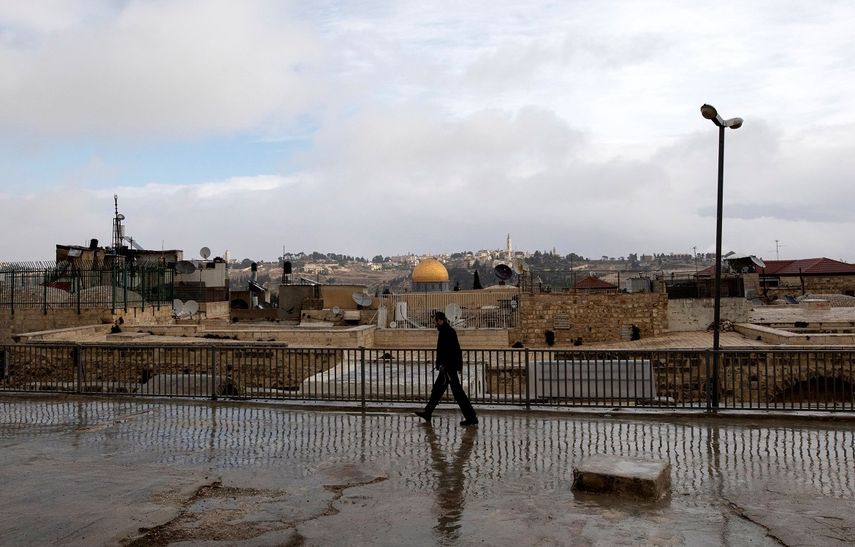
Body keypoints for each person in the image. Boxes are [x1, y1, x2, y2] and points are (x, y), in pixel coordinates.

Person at [415, 311, 479, 426]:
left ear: (440, 320)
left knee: (458, 394)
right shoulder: (445, 331)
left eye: (435, 320)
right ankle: (428, 412)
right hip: (446, 368)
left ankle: (471, 417)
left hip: (448, 369)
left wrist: (454, 366)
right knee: (437, 391)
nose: (434, 323)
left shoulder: (448, 332)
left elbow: (455, 350)